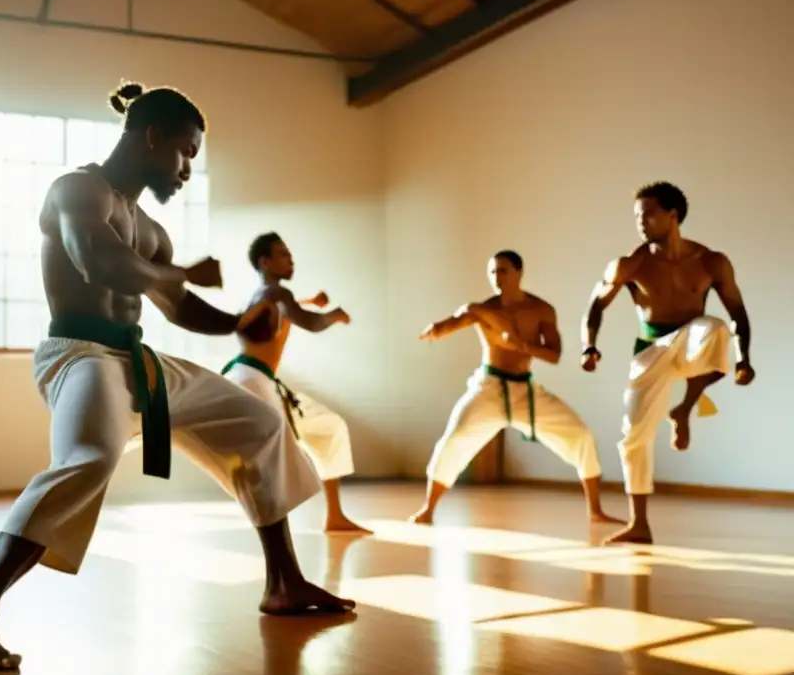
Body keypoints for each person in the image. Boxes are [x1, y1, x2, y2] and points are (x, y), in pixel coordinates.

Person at [0, 82, 354, 672]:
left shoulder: (152, 230)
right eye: (185, 151)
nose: (187, 168)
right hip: (78, 353)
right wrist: (179, 272)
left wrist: (237, 319)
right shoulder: (78, 190)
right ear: (152, 136)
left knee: (259, 421)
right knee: (90, 457)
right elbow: (98, 261)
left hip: (140, 363)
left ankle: (284, 583)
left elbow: (179, 307)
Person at [582, 181, 754, 545]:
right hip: (650, 349)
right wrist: (589, 347)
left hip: (692, 340)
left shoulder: (711, 261)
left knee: (716, 328)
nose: (640, 222)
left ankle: (684, 410)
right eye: (636, 216)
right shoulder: (631, 263)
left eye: (648, 214)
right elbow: (596, 306)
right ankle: (639, 524)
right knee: (633, 439)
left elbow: (737, 311)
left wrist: (745, 360)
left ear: (672, 215)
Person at [410, 251, 619, 526]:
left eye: (503, 270)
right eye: (493, 272)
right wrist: (437, 330)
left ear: (519, 273)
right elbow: (458, 318)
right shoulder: (484, 309)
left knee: (581, 436)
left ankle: (595, 510)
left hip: (525, 391)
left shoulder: (541, 310)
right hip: (489, 388)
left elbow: (554, 354)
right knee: (454, 439)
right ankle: (428, 510)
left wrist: (525, 347)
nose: (497, 277)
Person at [219, 232, 369, 534]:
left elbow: (281, 309)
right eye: (283, 254)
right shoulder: (277, 294)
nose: (291, 259)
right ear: (265, 261)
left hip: (256, 378)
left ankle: (335, 517)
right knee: (272, 458)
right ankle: (274, 530)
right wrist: (333, 315)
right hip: (253, 380)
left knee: (328, 428)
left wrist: (309, 300)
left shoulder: (264, 295)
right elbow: (311, 323)